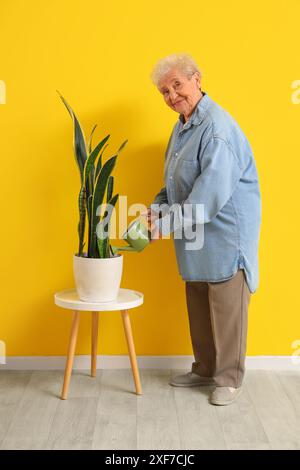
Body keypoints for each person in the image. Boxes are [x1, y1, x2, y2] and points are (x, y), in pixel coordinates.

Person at [144, 53, 262, 406]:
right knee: (198, 302)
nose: (171, 96)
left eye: (177, 85)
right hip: (194, 234)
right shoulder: (182, 125)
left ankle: (229, 378)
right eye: (164, 91)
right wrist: (155, 210)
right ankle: (205, 369)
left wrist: (164, 225)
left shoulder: (218, 130)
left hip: (225, 234)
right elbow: (172, 182)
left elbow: (207, 200)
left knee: (227, 308)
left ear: (197, 79)